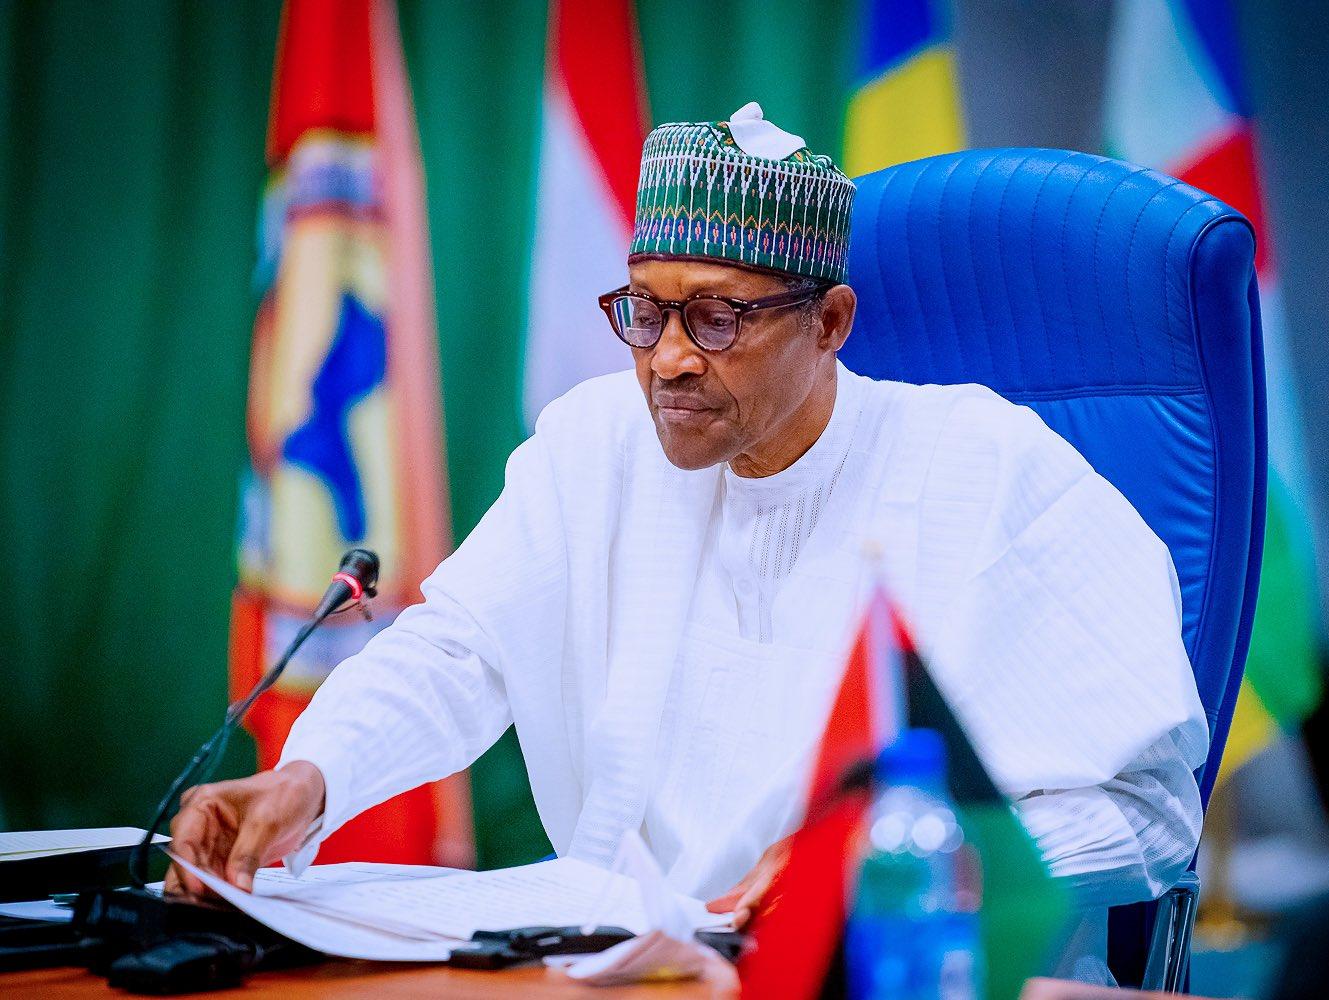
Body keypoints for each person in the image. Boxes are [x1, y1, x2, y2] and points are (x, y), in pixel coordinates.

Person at [168, 103, 1209, 982]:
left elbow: (1146, 815)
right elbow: (460, 651)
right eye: (646, 312)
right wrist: (314, 779)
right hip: (622, 969)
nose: (667, 359)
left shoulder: (988, 469)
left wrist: (872, 873)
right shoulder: (593, 444)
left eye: (715, 320)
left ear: (832, 322)